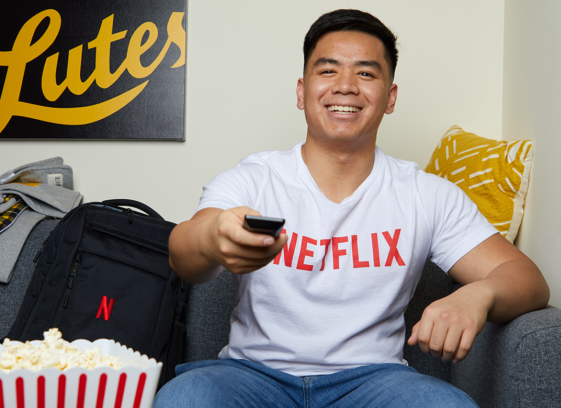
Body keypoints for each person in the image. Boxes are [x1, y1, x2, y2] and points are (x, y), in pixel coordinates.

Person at [153, 9, 550, 408]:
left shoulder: (426, 194)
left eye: (365, 73)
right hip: (251, 375)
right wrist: (212, 237)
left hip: (375, 382)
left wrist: (478, 295)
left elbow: (527, 279)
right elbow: (183, 254)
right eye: (327, 71)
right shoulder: (252, 180)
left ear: (390, 97)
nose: (345, 87)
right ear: (301, 91)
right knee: (184, 398)